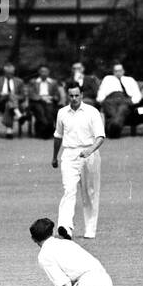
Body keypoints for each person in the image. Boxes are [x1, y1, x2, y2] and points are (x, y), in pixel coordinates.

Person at [52, 81, 105, 239]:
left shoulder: (92, 112)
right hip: (69, 154)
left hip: (90, 153)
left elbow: (100, 137)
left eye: (77, 95)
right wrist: (54, 156)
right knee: (69, 190)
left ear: (81, 95)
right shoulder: (62, 112)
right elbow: (58, 136)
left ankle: (90, 229)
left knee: (90, 192)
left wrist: (90, 150)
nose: (74, 98)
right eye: (71, 96)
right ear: (67, 96)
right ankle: (65, 227)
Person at [0, 62, 27, 139]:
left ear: (14, 72)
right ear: (4, 73)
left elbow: (22, 96)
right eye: (7, 73)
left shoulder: (19, 81)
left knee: (9, 105)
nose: (9, 75)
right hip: (0, 103)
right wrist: (4, 95)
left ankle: (9, 131)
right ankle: (19, 115)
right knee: (9, 96)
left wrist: (13, 96)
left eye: (11, 73)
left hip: (15, 104)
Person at [27, 66, 61, 140]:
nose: (44, 73)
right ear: (39, 73)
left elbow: (57, 95)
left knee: (49, 111)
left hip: (49, 101)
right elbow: (31, 94)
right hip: (37, 101)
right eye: (42, 71)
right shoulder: (33, 82)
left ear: (48, 73)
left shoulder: (53, 82)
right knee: (40, 111)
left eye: (45, 72)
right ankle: (43, 130)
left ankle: (48, 131)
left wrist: (51, 98)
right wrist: (41, 98)